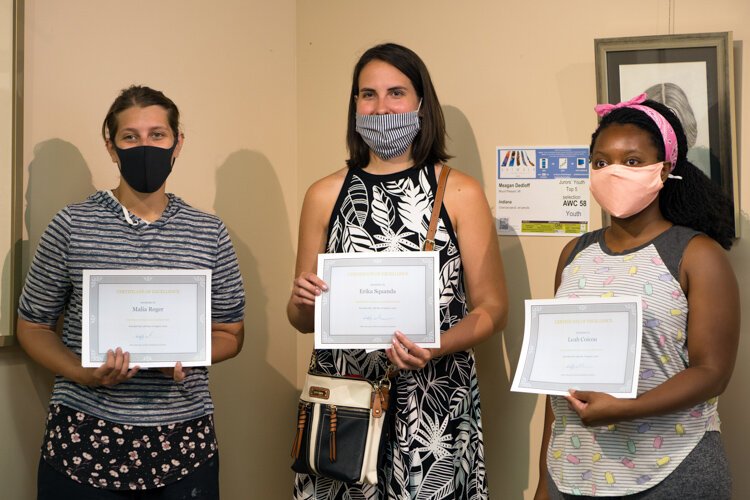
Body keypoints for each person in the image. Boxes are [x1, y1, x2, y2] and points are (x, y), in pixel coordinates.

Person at [287, 43, 508, 499]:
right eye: (368, 94)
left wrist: (435, 345)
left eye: (396, 93)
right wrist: (302, 301)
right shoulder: (324, 194)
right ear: (354, 106)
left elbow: (493, 309)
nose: (382, 107)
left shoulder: (461, 192)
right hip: (343, 401)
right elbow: (302, 319)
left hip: (435, 397)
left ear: (421, 103)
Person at [17, 85, 245, 499]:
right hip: (82, 442)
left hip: (183, 447)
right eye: (131, 137)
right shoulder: (71, 225)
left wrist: (185, 354)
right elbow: (32, 326)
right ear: (111, 146)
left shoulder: (208, 232)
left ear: (177, 143)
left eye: (158, 135)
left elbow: (231, 333)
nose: (145, 146)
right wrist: (83, 374)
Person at [534, 94, 739, 499]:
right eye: (600, 161)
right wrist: (545, 477)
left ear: (664, 170)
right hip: (573, 471)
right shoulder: (574, 255)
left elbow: (712, 371)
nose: (613, 172)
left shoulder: (697, 255)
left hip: (670, 470)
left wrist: (625, 409)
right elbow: (554, 376)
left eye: (631, 161)